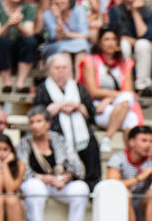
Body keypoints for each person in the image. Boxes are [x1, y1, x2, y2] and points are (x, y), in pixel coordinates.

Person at [18, 105, 89, 221]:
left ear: (48, 123)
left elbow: (78, 167)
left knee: (81, 188)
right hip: (38, 183)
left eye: (39, 121)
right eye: (32, 122)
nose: (34, 126)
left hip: (60, 184)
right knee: (34, 187)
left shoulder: (60, 140)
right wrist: (46, 179)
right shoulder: (24, 143)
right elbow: (22, 171)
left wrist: (66, 177)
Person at [34, 52, 104, 185]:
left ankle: (92, 184)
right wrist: (60, 105)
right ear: (49, 71)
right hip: (54, 134)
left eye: (64, 68)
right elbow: (39, 114)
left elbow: (90, 113)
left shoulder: (79, 88)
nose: (61, 71)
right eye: (57, 68)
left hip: (82, 134)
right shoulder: (43, 89)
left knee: (92, 146)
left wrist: (76, 106)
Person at [107, 124, 152, 221]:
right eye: (144, 141)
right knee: (126, 193)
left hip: (140, 204)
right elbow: (112, 185)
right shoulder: (118, 158)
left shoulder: (151, 160)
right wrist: (139, 178)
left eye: (150, 141)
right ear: (132, 142)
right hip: (120, 205)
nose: (148, 145)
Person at [39, 0, 90, 67]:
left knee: (82, 45)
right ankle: (68, 75)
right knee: (64, 49)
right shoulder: (47, 15)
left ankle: (78, 75)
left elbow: (85, 35)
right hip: (55, 46)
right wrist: (57, 18)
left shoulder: (79, 11)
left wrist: (67, 34)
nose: (57, 1)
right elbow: (58, 37)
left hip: (77, 44)